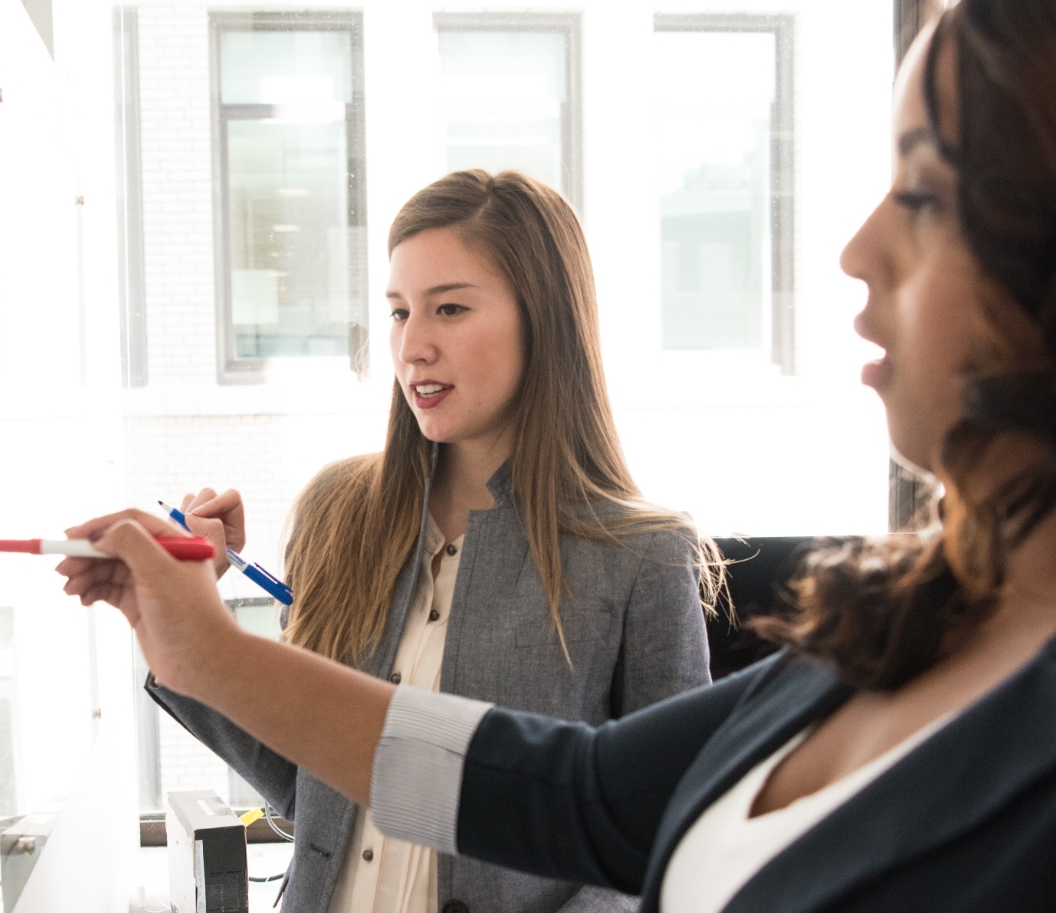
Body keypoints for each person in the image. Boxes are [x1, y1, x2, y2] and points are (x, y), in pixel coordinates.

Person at [62, 0, 1056, 913]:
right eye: (400, 311)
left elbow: (578, 831)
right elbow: (573, 793)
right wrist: (202, 649)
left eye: (931, 192)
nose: (855, 248)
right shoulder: (908, 630)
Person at [74, 169, 722, 913]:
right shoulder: (337, 511)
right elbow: (306, 786)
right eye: (397, 312)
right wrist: (185, 623)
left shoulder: (642, 555)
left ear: (543, 319)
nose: (412, 347)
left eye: (448, 309)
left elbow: (671, 841)